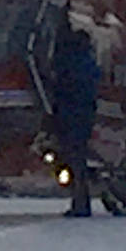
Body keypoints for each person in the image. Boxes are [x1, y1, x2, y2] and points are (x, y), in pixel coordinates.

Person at [51, 27, 100, 217]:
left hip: (70, 114)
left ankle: (80, 202)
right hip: (82, 114)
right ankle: (81, 200)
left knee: (73, 157)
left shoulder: (69, 61)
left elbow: (64, 84)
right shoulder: (87, 62)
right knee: (77, 157)